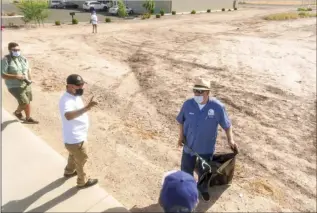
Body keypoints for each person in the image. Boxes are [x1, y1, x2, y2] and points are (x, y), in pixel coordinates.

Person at [176, 78, 238, 202]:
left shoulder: (217, 107)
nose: (197, 94)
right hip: (189, 147)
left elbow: (227, 125)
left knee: (204, 172)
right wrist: (181, 137)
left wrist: (230, 140)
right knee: (186, 169)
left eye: (201, 91)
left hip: (206, 148)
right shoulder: (188, 104)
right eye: (195, 91)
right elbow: (181, 121)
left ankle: (203, 188)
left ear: (208, 92)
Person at [59, 74, 98, 189]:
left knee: (73, 155)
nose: (82, 87)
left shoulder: (74, 95)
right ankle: (82, 181)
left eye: (83, 84)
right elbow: (68, 115)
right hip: (76, 139)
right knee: (81, 160)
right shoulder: (66, 100)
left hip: (73, 139)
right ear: (70, 86)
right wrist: (87, 108)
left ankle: (69, 171)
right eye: (79, 85)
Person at [1, 42, 38, 123]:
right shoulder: (5, 60)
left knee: (27, 101)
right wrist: (16, 76)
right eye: (14, 50)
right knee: (24, 102)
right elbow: (3, 75)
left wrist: (30, 78)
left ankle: (28, 118)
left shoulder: (23, 58)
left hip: (26, 83)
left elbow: (28, 70)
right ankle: (17, 113)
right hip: (14, 86)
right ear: (10, 50)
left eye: (18, 49)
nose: (17, 51)